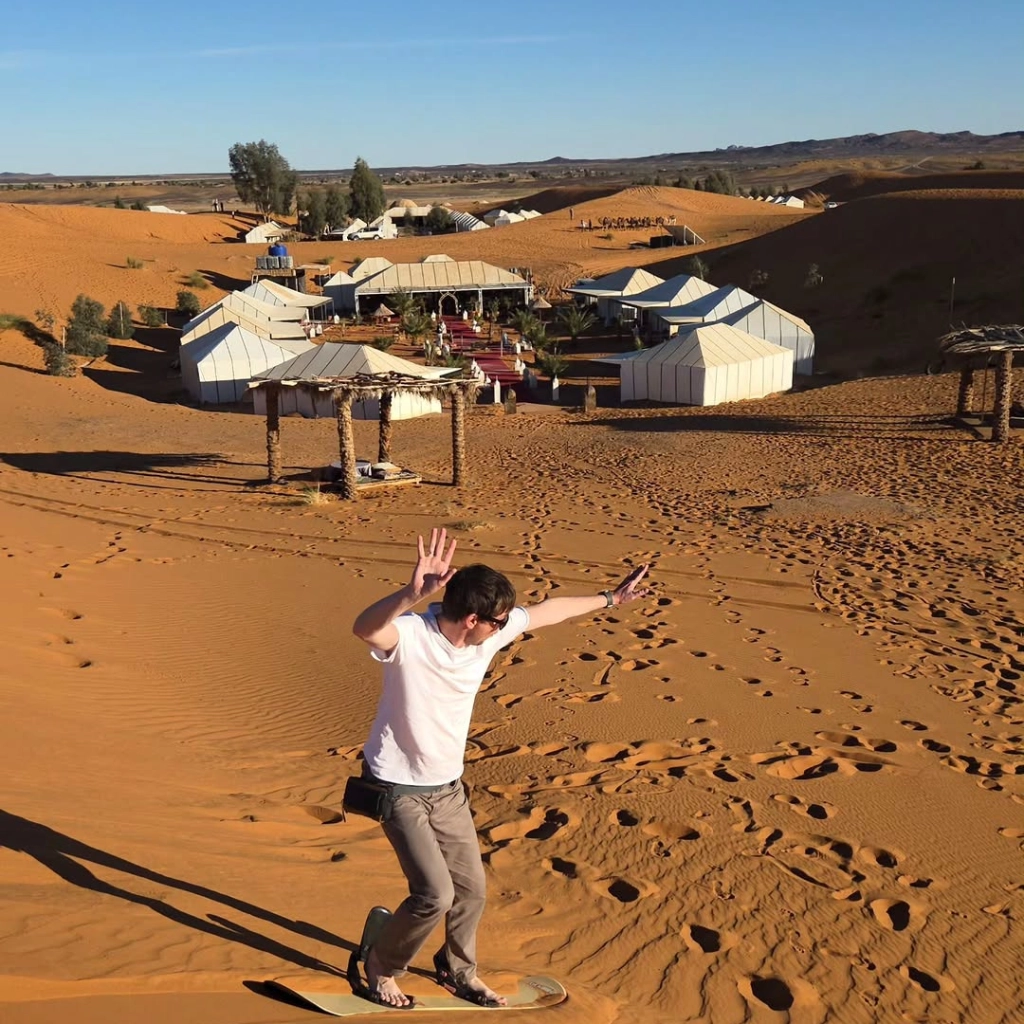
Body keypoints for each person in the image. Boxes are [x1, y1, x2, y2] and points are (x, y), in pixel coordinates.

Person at [352, 528, 650, 1008]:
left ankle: (456, 969)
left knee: (472, 890)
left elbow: (549, 611)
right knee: (434, 894)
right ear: (472, 619)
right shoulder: (410, 635)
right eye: (499, 621)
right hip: (396, 786)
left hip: (446, 788)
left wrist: (611, 599)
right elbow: (366, 628)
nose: (507, 627)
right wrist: (410, 594)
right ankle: (380, 966)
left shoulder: (487, 636)